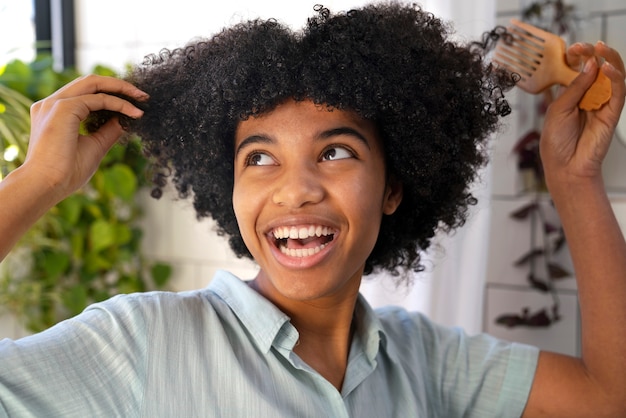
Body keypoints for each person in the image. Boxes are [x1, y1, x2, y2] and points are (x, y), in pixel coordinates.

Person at [1, 2, 625, 417]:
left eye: (335, 151)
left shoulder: (425, 360)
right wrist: (38, 182)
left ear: (393, 186)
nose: (295, 189)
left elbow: (609, 396)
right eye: (260, 158)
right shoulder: (142, 343)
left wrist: (575, 178)